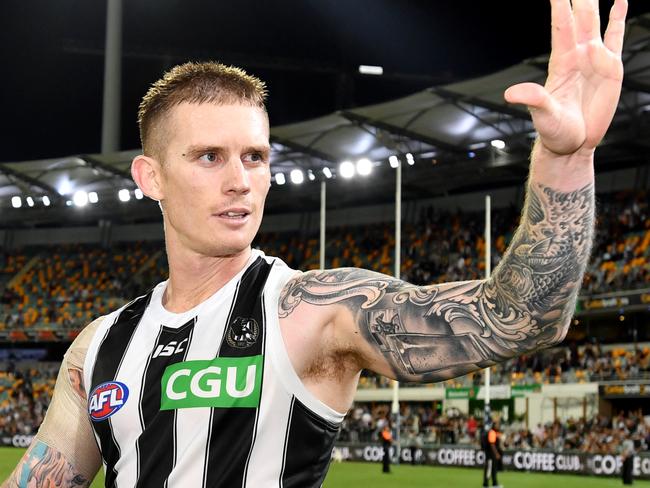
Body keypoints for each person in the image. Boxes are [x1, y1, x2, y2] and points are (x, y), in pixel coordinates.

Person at [2, 0, 629, 485]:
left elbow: (516, 319)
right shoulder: (99, 347)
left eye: (254, 156)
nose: (239, 181)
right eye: (208, 157)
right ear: (150, 177)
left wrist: (565, 159)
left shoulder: (313, 312)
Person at [481, 419, 503, 488]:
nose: (498, 426)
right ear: (493, 425)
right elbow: (492, 444)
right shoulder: (492, 432)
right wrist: (496, 453)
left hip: (492, 454)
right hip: (490, 454)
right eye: (497, 424)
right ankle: (486, 484)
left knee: (494, 469)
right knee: (489, 469)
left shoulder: (495, 432)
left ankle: (495, 483)